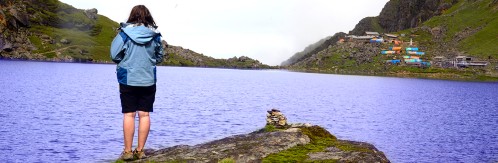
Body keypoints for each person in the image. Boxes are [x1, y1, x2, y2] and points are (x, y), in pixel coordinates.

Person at [110, 5, 163, 160]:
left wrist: (125, 61)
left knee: (129, 114)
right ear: (148, 17)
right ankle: (140, 151)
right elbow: (159, 57)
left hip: (128, 78)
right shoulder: (155, 36)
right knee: (144, 115)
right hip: (148, 79)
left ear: (132, 16)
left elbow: (114, 55)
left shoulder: (124, 34)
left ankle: (127, 152)